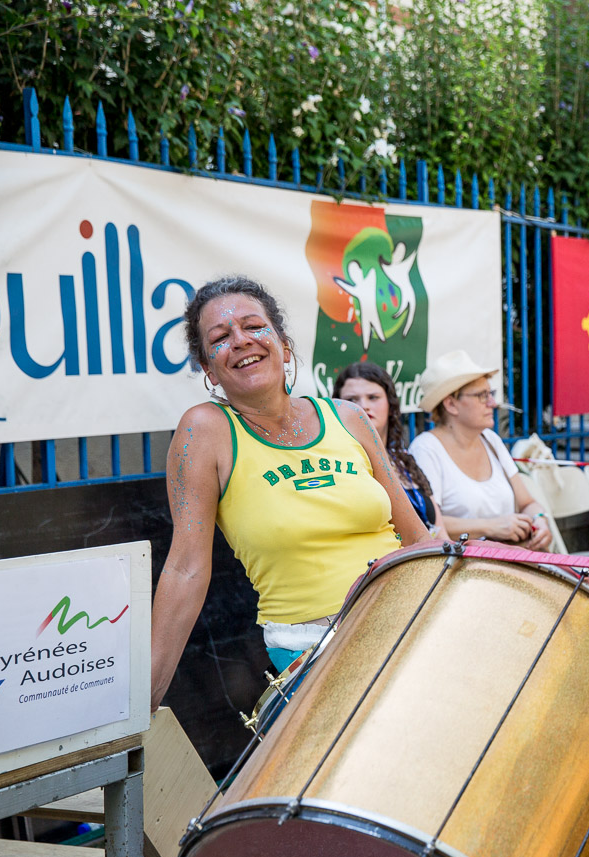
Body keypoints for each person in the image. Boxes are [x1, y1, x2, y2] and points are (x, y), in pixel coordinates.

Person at [150, 276, 432, 709]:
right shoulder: (205, 431)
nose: (241, 341)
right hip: (312, 649)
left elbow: (416, 539)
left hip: (407, 619)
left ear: (284, 346)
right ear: (208, 370)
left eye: (254, 327)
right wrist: (142, 701)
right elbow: (186, 569)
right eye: (221, 338)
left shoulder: (349, 418)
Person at [408, 350, 552, 550]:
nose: (493, 403)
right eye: (482, 396)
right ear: (451, 404)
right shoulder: (426, 449)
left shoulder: (490, 439)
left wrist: (540, 520)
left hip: (512, 558)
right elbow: (429, 523)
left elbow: (527, 503)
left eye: (490, 394)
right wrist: (492, 527)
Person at [334, 361, 444, 538]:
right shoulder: (335, 465)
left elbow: (441, 534)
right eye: (351, 400)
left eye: (373, 397)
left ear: (391, 405)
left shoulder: (405, 461)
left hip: (430, 559)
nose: (363, 405)